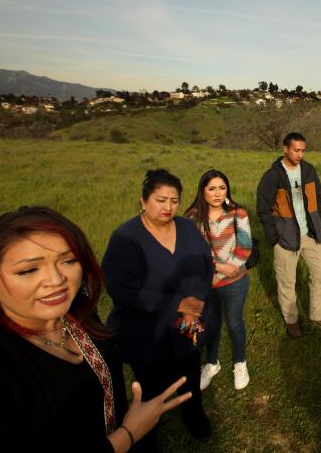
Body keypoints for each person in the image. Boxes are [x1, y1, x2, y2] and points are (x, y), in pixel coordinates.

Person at [0, 206, 192, 453]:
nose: (56, 280)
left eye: (68, 261)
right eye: (28, 270)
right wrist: (128, 435)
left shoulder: (78, 315)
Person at [102, 169, 215, 448]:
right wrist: (177, 303)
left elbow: (205, 266)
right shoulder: (126, 238)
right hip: (145, 331)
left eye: (174, 201)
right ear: (143, 201)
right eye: (160, 200)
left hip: (187, 323)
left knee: (189, 372)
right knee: (151, 386)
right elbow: (122, 290)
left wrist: (195, 303)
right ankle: (144, 434)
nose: (168, 207)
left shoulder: (187, 228)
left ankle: (195, 418)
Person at [256, 132, 321, 338]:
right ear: (285, 149)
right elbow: (263, 209)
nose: (300, 154)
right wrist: (274, 238)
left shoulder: (308, 170)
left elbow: (318, 198)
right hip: (285, 237)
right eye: (296, 150)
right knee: (287, 282)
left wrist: (318, 224)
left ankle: (318, 315)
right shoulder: (272, 176)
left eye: (303, 150)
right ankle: (292, 321)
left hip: (309, 234)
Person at [185, 169, 253, 391]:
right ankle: (212, 363)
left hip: (236, 281)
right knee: (211, 323)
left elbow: (245, 247)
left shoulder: (238, 213)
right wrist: (215, 271)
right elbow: (193, 252)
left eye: (221, 188)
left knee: (234, 322)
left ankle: (240, 362)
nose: (216, 193)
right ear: (202, 190)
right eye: (211, 188)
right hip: (208, 283)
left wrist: (224, 271)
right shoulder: (192, 217)